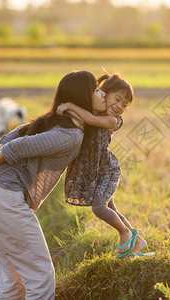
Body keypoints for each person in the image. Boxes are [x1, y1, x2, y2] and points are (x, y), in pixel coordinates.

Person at [0, 70, 107, 300]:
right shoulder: (70, 133)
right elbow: (14, 147)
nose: (102, 94)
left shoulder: (56, 123)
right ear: (83, 96)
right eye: (96, 89)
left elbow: (11, 137)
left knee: (12, 280)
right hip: (5, 198)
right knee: (40, 277)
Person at [56, 73, 148, 258]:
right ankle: (138, 241)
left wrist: (69, 106)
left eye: (125, 105)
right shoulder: (92, 111)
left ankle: (124, 233)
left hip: (106, 170)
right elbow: (85, 116)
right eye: (117, 99)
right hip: (93, 171)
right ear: (103, 94)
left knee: (99, 208)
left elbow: (90, 120)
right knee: (111, 209)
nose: (120, 106)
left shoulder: (112, 121)